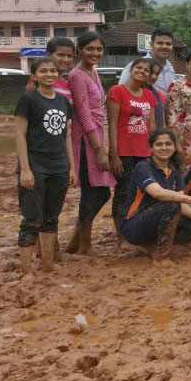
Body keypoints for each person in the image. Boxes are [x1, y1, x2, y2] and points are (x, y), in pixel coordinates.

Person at [14, 57, 76, 278]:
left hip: (59, 166)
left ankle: (48, 265)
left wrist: (71, 167)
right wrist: (25, 169)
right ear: (34, 76)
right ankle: (26, 271)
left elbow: (67, 136)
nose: (49, 74)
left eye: (53, 71)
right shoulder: (28, 99)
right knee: (31, 218)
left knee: (51, 217)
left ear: (58, 76)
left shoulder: (63, 102)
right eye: (43, 71)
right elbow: (20, 135)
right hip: (35, 166)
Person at [118, 129, 191, 265]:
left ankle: (155, 244)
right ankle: (161, 257)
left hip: (156, 218)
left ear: (173, 147)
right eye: (159, 144)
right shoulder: (142, 167)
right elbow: (157, 193)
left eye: (168, 144)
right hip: (133, 225)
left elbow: (182, 205)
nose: (164, 148)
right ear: (151, 148)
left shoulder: (174, 171)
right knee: (172, 205)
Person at [65, 30, 115, 255]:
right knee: (92, 193)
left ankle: (75, 241)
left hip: (97, 135)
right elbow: (84, 115)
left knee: (101, 192)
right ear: (79, 51)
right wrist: (98, 150)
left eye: (98, 49)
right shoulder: (77, 75)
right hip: (85, 141)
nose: (95, 53)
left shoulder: (92, 72)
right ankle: (85, 246)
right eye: (90, 49)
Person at [106, 59, 158, 228]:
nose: (142, 71)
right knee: (123, 192)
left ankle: (136, 227)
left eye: (146, 70)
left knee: (143, 191)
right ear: (131, 69)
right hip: (124, 152)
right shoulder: (117, 91)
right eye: (138, 67)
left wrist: (155, 150)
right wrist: (114, 154)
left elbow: (152, 126)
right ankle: (121, 233)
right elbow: (112, 124)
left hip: (145, 153)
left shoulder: (149, 95)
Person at [122, 28, 177, 97]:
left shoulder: (170, 68)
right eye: (160, 43)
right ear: (151, 45)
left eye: (168, 44)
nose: (164, 46)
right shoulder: (136, 66)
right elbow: (122, 92)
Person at [25, 37, 75, 102]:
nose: (66, 59)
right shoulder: (40, 82)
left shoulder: (65, 82)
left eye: (69, 56)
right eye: (61, 55)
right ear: (48, 55)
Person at [143, 60, 167, 131]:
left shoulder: (159, 96)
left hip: (156, 137)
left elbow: (163, 122)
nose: (154, 77)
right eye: (151, 73)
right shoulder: (132, 93)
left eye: (157, 74)